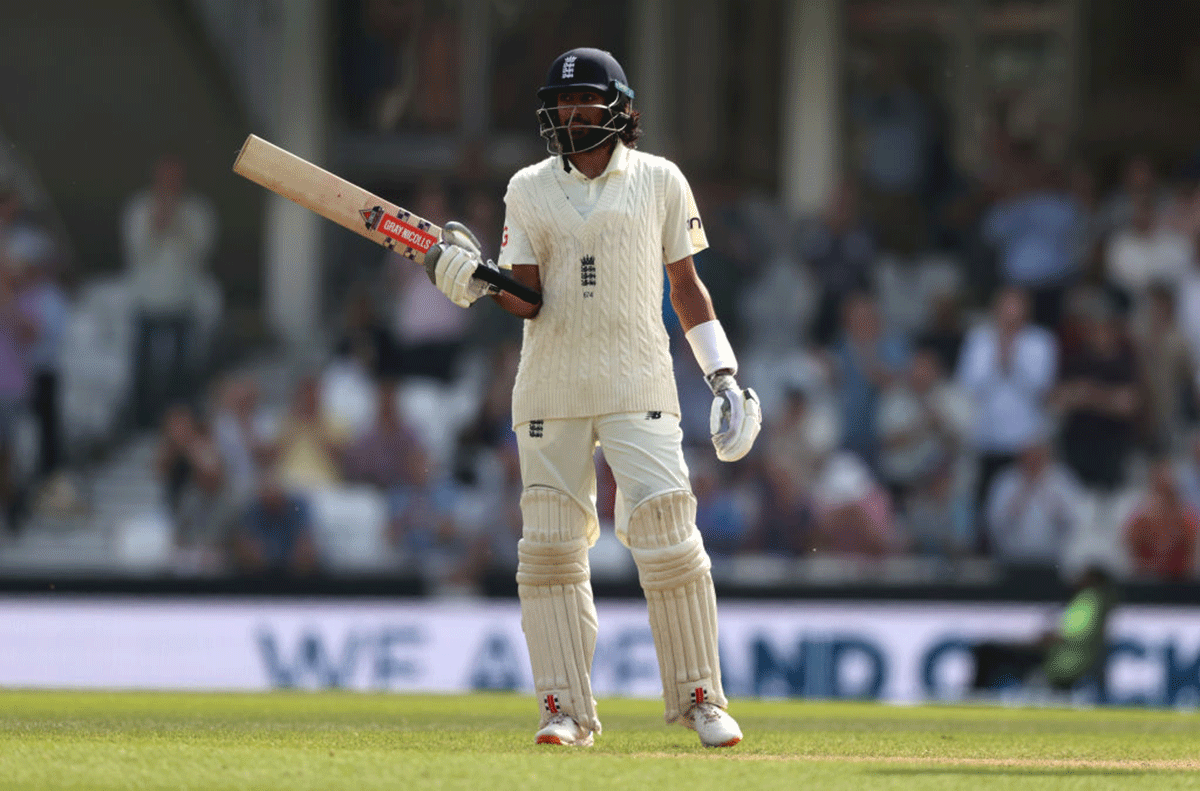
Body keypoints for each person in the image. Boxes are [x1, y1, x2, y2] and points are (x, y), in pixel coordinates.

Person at [425, 48, 760, 748]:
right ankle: (564, 709)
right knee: (549, 549)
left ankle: (701, 696)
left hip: (640, 380)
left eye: (583, 102)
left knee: (669, 533)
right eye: (561, 104)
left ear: (619, 109)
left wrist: (723, 375)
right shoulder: (527, 187)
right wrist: (475, 281)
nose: (570, 115)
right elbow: (527, 296)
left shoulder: (662, 180)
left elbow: (687, 289)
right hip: (550, 387)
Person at [121, 154, 217, 428]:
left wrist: (176, 219)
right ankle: (143, 424)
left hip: (182, 302)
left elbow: (201, 252)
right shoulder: (139, 208)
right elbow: (136, 251)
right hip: (146, 302)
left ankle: (178, 425)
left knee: (182, 371)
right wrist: (156, 222)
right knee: (144, 369)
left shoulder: (196, 210)